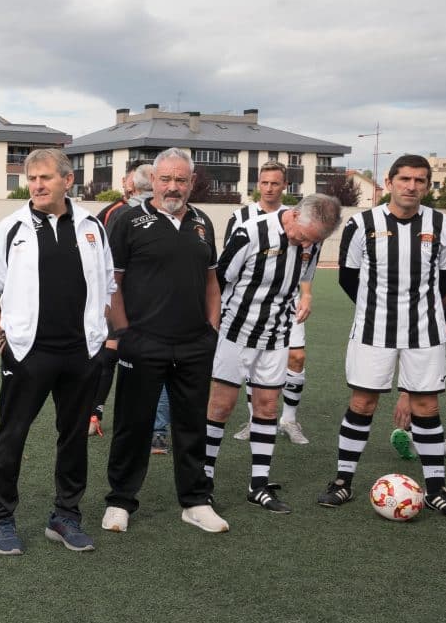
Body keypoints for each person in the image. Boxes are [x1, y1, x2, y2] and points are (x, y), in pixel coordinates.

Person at [0, 149, 113, 555]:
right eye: (32, 178)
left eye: (45, 178)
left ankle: (65, 516)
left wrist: (98, 336)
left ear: (67, 181)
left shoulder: (92, 226)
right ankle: (1, 520)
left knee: (73, 438)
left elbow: (108, 286)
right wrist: (3, 341)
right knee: (12, 436)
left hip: (80, 353)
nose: (37, 185)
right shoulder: (10, 227)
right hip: (27, 354)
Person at [101, 147, 227, 534]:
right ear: (153, 181)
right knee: (132, 425)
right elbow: (112, 283)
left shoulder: (202, 221)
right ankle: (121, 501)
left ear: (191, 183)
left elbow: (211, 281)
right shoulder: (126, 220)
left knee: (192, 424)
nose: (173, 186)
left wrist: (212, 327)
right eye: (166, 179)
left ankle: (194, 501)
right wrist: (123, 333)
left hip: (194, 344)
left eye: (181, 179)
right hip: (143, 343)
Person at [318, 155, 446, 515]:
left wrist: (425, 311)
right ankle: (343, 482)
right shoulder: (362, 223)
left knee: (426, 406)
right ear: (389, 182)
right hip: (372, 330)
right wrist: (377, 308)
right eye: (405, 179)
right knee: (363, 403)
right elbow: (349, 277)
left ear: (426, 186)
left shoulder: (443, 224)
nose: (412, 186)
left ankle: (436, 488)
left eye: (420, 180)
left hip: (425, 331)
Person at [204, 194, 341, 514]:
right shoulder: (250, 233)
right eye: (303, 236)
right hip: (235, 332)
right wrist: (211, 325)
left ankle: (259, 484)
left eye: (313, 241)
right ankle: (204, 479)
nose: (305, 245)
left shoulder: (313, 242)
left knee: (266, 407)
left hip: (277, 335)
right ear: (293, 215)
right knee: (221, 406)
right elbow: (219, 279)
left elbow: (303, 280)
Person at [225, 161, 315, 445]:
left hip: (287, 301)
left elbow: (306, 260)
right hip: (249, 304)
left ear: (284, 186)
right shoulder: (241, 216)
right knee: (253, 361)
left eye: (275, 183)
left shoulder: (299, 217)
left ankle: (289, 419)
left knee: (297, 357)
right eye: (264, 183)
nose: (268, 188)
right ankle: (255, 419)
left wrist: (307, 294)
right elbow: (229, 264)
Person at [90, 163, 152, 438]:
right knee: (110, 353)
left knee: (125, 356)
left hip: (146, 300)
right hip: (118, 296)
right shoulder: (118, 212)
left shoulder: (164, 216)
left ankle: (144, 422)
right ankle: (94, 412)